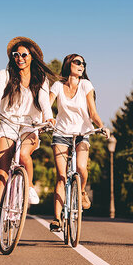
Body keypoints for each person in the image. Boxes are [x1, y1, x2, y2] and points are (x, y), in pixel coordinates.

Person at [0, 37, 56, 239]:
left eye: (24, 54)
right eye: (16, 55)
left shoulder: (41, 79)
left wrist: (48, 117)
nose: (20, 58)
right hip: (8, 123)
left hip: (30, 126)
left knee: (24, 154)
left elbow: (44, 102)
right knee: (1, 175)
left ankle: (30, 186)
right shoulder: (5, 74)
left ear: (32, 57)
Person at [49, 54, 110, 232]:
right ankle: (56, 219)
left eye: (83, 63)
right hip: (61, 133)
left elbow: (92, 111)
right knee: (61, 175)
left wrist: (102, 126)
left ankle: (81, 191)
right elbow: (48, 103)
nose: (81, 65)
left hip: (82, 132)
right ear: (68, 65)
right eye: (77, 62)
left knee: (82, 167)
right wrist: (47, 119)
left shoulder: (86, 85)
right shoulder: (58, 86)